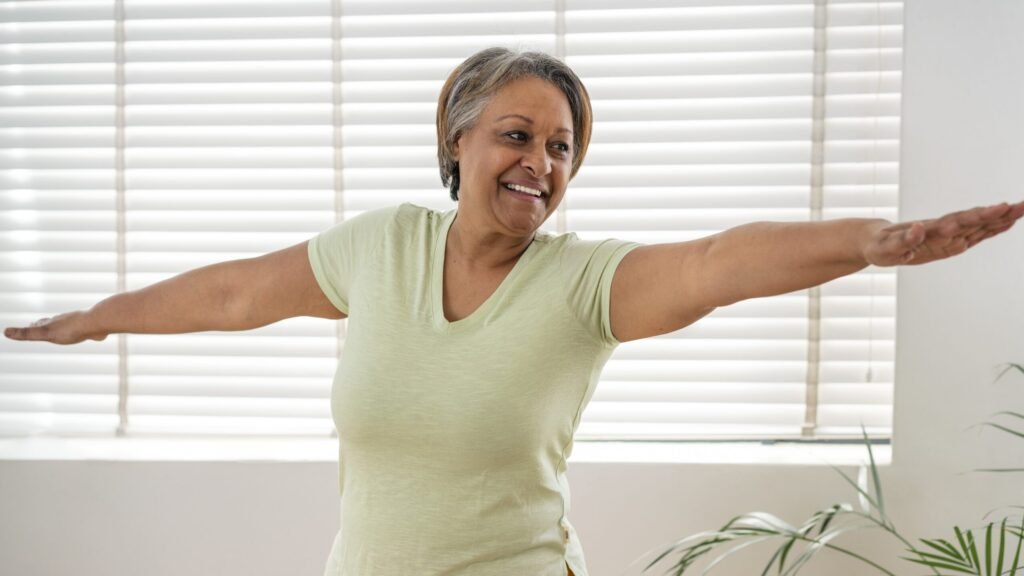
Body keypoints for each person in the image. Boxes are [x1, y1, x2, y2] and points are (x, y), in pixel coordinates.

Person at [4, 47, 1024, 576]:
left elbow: (718, 263)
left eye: (561, 146)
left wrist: (871, 242)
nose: (540, 162)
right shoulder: (379, 249)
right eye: (516, 134)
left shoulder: (583, 285)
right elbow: (234, 293)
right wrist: (98, 317)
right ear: (456, 142)